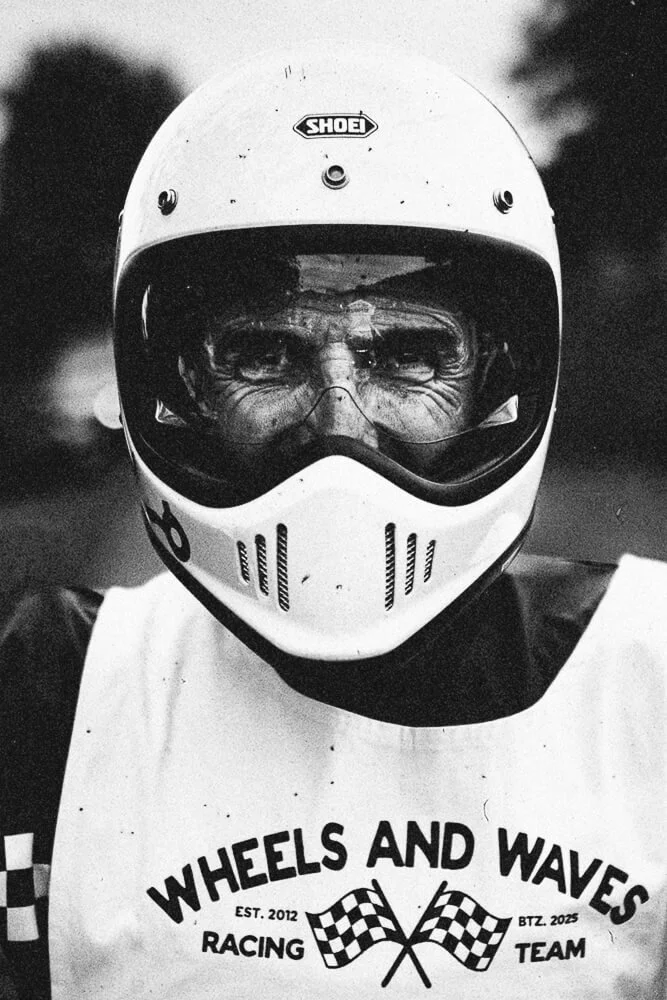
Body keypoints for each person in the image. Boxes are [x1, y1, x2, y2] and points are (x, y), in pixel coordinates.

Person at [1, 45, 665, 1000]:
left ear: (496, 381)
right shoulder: (53, 690)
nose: (339, 425)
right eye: (262, 351)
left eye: (410, 354)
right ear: (180, 379)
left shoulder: (649, 686)